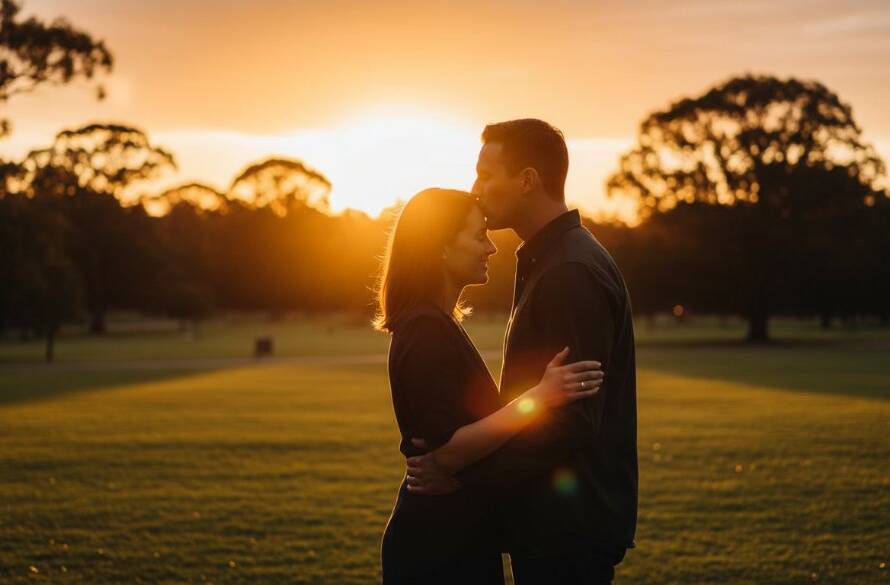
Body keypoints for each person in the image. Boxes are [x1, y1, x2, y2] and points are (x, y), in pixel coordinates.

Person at [406, 120, 638, 585]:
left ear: (528, 180)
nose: (475, 189)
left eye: (486, 175)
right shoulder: (552, 258)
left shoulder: (569, 271)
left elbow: (569, 420)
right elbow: (541, 400)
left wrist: (464, 477)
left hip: (567, 527)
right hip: (552, 520)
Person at [376, 187, 604, 584]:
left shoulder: (438, 323)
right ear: (441, 247)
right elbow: (448, 449)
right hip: (435, 548)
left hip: (459, 535)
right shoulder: (424, 330)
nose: (491, 249)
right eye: (478, 236)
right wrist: (541, 397)